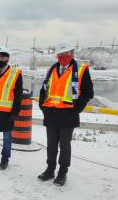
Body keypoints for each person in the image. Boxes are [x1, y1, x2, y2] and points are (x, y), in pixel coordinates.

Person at [38, 41, 94, 186]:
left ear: (72, 54)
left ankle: (62, 173)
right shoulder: (52, 70)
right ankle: (50, 170)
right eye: (60, 55)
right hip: (51, 114)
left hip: (67, 116)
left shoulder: (80, 70)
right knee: (51, 145)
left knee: (65, 146)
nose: (63, 57)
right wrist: (42, 106)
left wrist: (76, 109)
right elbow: (44, 89)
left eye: (66, 54)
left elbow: (88, 93)